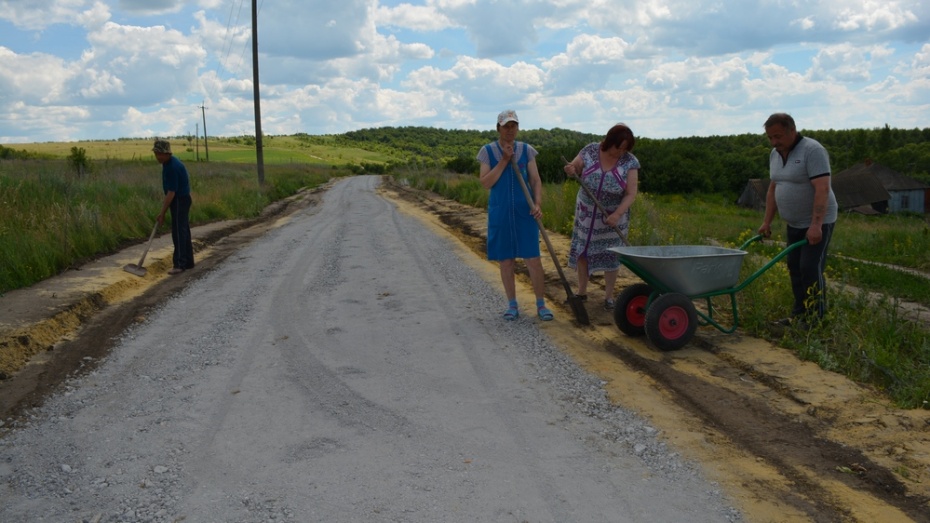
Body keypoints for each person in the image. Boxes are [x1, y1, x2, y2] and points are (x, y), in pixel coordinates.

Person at [758, 113, 837, 325]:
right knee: (794, 267)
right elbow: (773, 188)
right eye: (770, 138)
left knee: (810, 268)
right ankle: (799, 315)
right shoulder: (775, 154)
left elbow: (822, 188)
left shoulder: (813, 151)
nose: (774, 142)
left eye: (778, 136)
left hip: (817, 223)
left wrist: (816, 225)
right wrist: (767, 222)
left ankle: (816, 319)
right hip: (793, 223)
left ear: (792, 130)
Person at [477, 110, 553, 321]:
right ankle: (512, 305)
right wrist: (503, 160)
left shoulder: (527, 150)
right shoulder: (487, 152)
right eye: (506, 126)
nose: (510, 130)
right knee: (506, 260)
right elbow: (485, 183)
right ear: (498, 128)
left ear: (518, 128)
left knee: (533, 258)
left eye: (514, 126)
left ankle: (541, 304)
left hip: (525, 210)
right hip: (500, 211)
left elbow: (536, 180)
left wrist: (537, 203)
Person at [563, 123, 640, 310]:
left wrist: (617, 214)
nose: (620, 152)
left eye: (625, 149)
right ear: (609, 141)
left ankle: (609, 297)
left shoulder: (630, 162)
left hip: (613, 217)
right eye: (618, 147)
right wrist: (571, 169)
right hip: (587, 215)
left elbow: (631, 193)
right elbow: (575, 166)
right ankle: (581, 292)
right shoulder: (590, 150)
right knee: (583, 251)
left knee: (611, 256)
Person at [153, 139, 195, 275]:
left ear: (166, 153)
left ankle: (179, 264)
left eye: (159, 154)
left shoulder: (172, 167)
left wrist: (162, 213)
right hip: (181, 199)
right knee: (183, 230)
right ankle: (188, 262)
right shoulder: (168, 163)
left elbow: (171, 193)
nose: (157, 157)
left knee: (178, 232)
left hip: (179, 200)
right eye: (156, 154)